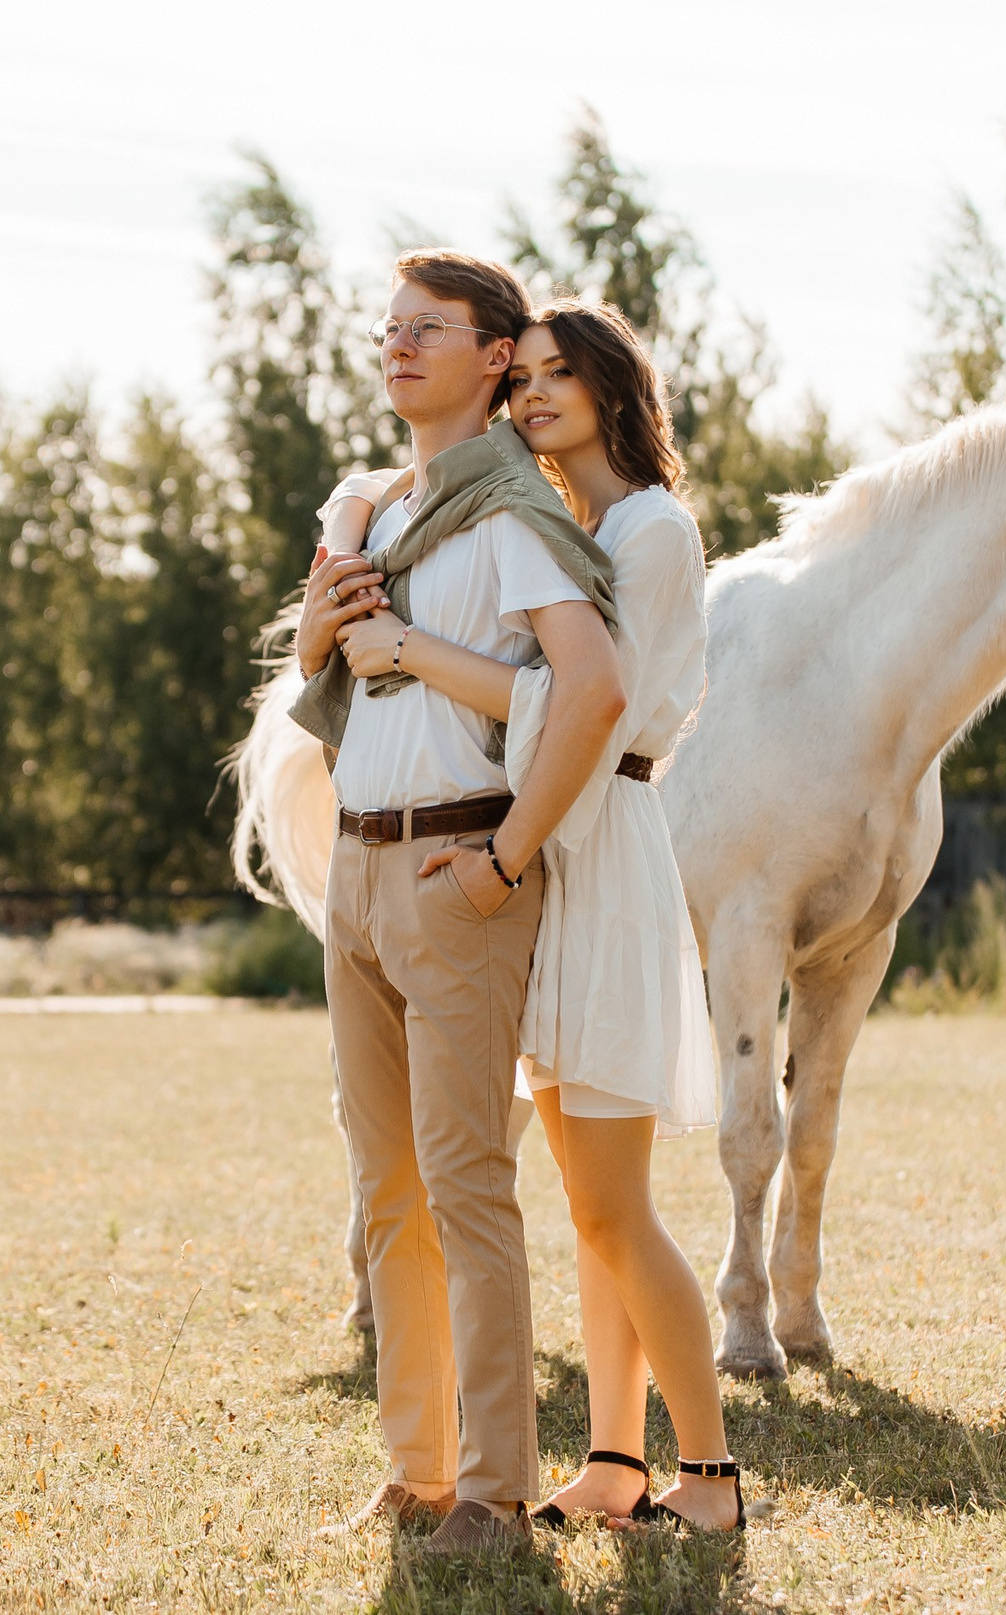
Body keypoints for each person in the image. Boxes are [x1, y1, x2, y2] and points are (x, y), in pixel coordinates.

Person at [328, 299, 749, 1532]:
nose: (537, 400)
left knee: (613, 1201)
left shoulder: (653, 531)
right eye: (532, 382)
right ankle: (615, 1462)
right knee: (585, 1200)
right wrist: (357, 526)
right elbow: (384, 485)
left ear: (617, 388)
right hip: (554, 846)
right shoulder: (577, 521)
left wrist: (407, 647)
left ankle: (712, 1478)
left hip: (599, 848)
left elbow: (587, 709)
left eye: (563, 376)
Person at [291, 253, 628, 1556]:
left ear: (497, 356)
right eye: (388, 328)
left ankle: (493, 1492)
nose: (397, 345)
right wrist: (320, 628)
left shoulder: (511, 510)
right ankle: (416, 1473)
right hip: (362, 869)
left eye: (427, 329)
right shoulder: (371, 508)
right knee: (387, 1192)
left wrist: (505, 858)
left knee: (468, 1187)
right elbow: (325, 678)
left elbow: (585, 690)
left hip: (459, 865)